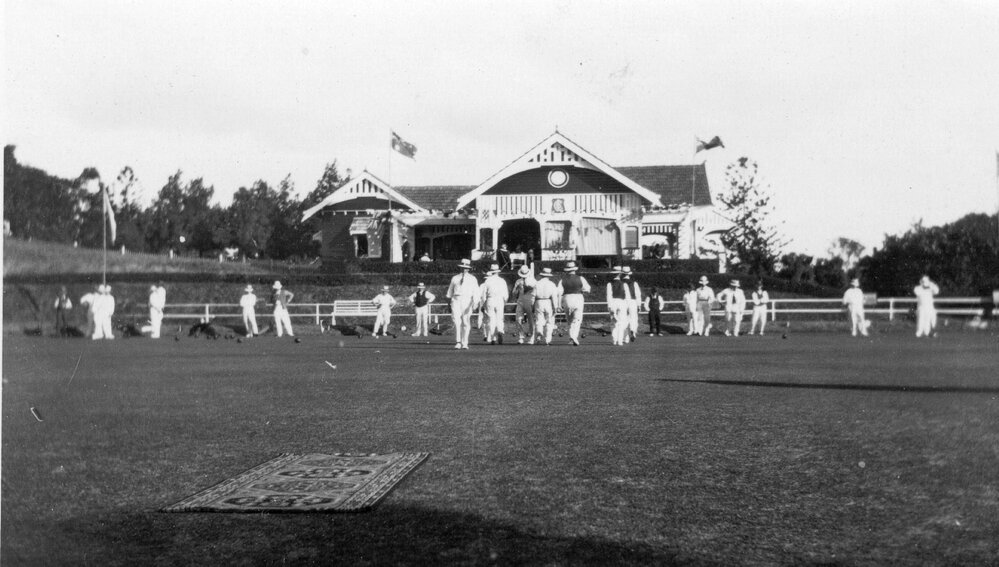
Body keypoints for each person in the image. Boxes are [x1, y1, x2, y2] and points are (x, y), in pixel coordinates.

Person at [446, 258, 480, 349]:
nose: (464, 269)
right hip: (456, 300)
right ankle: (458, 342)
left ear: (468, 269)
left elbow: (476, 292)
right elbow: (450, 292)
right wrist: (448, 304)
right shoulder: (455, 278)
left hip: (467, 300)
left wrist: (475, 302)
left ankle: (465, 342)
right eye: (462, 267)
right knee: (457, 322)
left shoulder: (473, 279)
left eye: (466, 268)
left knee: (465, 321)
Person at [557, 261, 591, 346]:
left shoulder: (562, 280)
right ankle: (573, 337)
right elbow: (587, 289)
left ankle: (571, 338)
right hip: (578, 298)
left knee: (569, 320)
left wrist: (558, 305)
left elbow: (559, 293)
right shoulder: (581, 278)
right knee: (577, 319)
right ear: (574, 269)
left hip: (567, 298)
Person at [480, 263, 510, 344]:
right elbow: (506, 294)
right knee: (499, 318)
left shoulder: (487, 280)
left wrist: (483, 304)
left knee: (491, 319)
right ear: (498, 272)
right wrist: (505, 302)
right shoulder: (502, 281)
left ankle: (493, 338)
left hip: (490, 300)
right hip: (500, 300)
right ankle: (500, 330)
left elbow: (483, 295)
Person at [533, 267, 559, 345]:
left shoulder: (537, 283)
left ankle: (539, 334)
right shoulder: (552, 284)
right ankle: (548, 339)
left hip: (538, 301)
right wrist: (555, 307)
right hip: (548, 301)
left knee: (539, 319)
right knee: (549, 321)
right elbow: (554, 296)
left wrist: (532, 305)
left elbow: (533, 295)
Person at [605, 266, 631, 345]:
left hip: (613, 302)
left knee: (613, 322)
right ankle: (620, 341)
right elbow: (628, 297)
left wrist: (610, 306)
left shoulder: (609, 284)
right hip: (622, 303)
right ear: (620, 274)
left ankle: (614, 340)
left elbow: (609, 295)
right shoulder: (624, 284)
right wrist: (628, 306)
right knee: (621, 322)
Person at [512, 264, 537, 344]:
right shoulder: (518, 281)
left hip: (530, 300)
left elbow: (535, 292)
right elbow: (514, 293)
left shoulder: (533, 281)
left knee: (531, 320)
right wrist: (517, 288)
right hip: (520, 300)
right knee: (518, 319)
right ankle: (521, 336)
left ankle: (532, 338)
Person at [622, 266, 642, 342]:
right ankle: (633, 331)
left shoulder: (621, 283)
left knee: (624, 319)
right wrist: (639, 305)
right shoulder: (634, 283)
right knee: (634, 318)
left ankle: (625, 337)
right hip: (633, 302)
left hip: (623, 302)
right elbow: (638, 294)